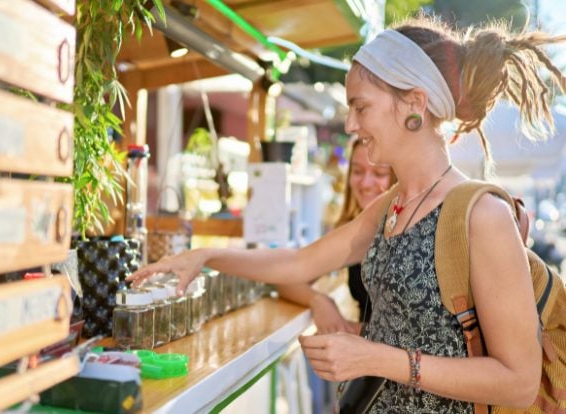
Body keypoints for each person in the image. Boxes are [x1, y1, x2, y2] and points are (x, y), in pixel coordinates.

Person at [129, 17, 564, 412]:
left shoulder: (481, 215)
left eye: (361, 107)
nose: (351, 125)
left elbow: (518, 382)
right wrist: (205, 257)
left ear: (414, 103)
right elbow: (301, 262)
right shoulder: (394, 203)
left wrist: (376, 356)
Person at [276, 137, 395, 335]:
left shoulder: (412, 230)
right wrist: (319, 300)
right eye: (357, 171)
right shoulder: (353, 229)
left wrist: (349, 330)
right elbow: (287, 279)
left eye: (379, 173)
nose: (366, 182)